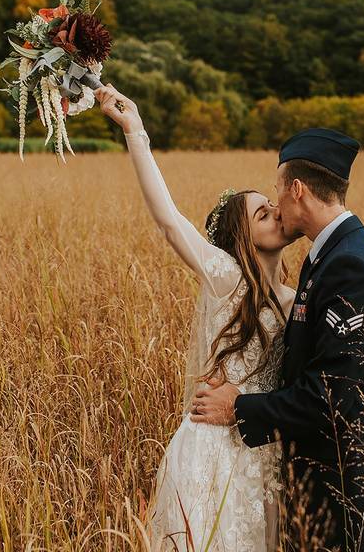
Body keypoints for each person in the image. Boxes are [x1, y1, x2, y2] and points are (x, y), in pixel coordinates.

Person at [95, 84, 298, 551]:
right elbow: (169, 221)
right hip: (212, 451)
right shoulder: (227, 277)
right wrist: (136, 130)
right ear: (241, 238)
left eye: (272, 208)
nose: (276, 215)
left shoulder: (293, 299)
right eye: (262, 214)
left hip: (261, 454)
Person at [192, 128, 364, 551]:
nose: (276, 204)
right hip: (322, 491)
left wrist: (239, 407)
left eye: (277, 192)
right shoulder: (329, 256)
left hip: (345, 497)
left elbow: (334, 394)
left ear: (297, 189)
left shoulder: (351, 267)